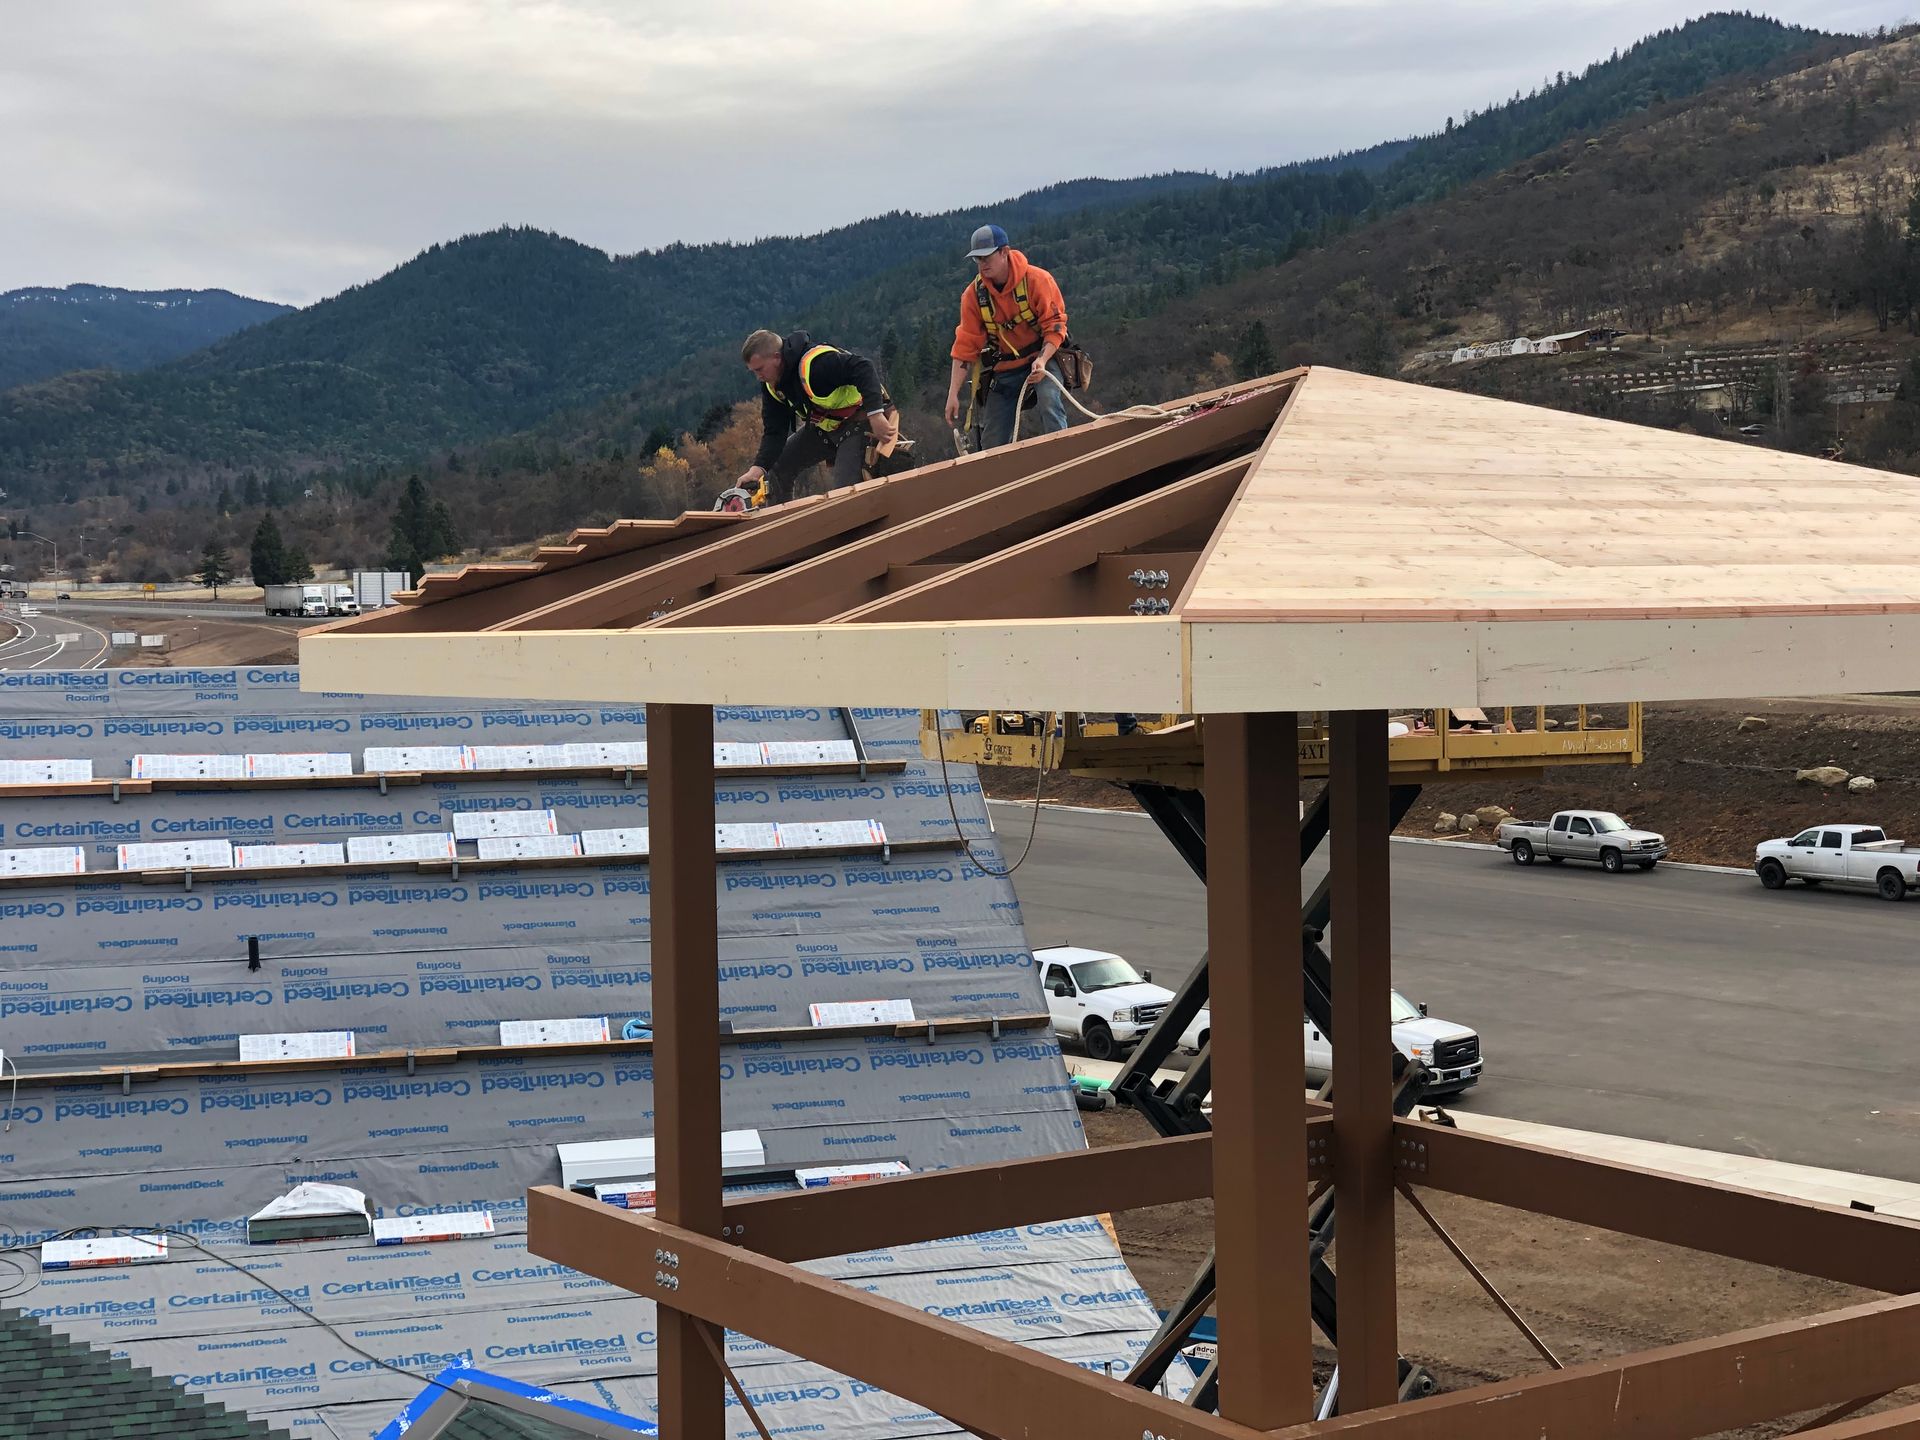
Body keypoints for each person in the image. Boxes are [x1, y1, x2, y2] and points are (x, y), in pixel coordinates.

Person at [734, 329, 897, 507]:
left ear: (776, 357)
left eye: (759, 369)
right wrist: (757, 469)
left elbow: (864, 367)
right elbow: (775, 432)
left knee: (844, 498)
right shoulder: (772, 385)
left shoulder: (816, 365)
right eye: (753, 372)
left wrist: (876, 414)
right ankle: (781, 527)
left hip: (859, 422)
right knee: (777, 468)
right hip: (826, 428)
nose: (758, 377)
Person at [943, 224, 1070, 450]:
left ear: (1004, 252)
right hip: (1006, 369)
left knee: (1049, 402)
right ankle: (1001, 478)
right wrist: (952, 394)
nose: (982, 264)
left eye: (986, 257)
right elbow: (965, 347)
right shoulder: (973, 296)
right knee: (992, 439)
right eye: (977, 259)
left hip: (1043, 359)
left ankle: (1063, 456)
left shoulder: (1037, 280)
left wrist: (1041, 360)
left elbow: (1055, 326)